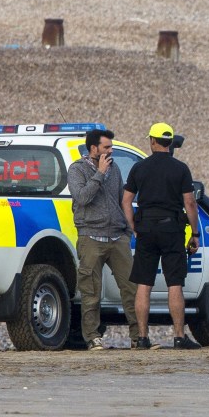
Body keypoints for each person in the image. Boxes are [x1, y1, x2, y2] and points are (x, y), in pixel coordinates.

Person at [121, 123, 202, 350]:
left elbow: (126, 201)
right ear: (170, 142)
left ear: (153, 141)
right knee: (174, 283)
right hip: (172, 230)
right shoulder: (180, 168)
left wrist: (132, 227)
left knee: (144, 284)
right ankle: (178, 336)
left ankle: (143, 338)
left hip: (146, 229)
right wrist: (194, 233)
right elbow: (190, 203)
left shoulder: (140, 168)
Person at [67, 128, 141, 351]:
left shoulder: (115, 168)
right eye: (107, 147)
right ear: (93, 148)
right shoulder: (77, 169)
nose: (111, 151)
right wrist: (99, 174)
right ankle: (92, 337)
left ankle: (138, 337)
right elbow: (81, 198)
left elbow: (121, 199)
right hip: (91, 237)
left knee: (131, 288)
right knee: (91, 291)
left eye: (111, 146)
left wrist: (128, 229)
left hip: (118, 236)